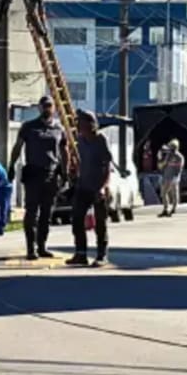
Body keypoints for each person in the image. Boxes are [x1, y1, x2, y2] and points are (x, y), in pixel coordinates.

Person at [8, 95, 69, 260]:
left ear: (53, 108)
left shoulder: (59, 128)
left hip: (51, 174)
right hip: (33, 174)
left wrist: (65, 172)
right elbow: (18, 147)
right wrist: (11, 166)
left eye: (49, 105)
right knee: (31, 212)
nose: (47, 108)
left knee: (47, 213)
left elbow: (64, 151)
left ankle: (42, 246)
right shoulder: (29, 127)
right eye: (44, 106)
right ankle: (31, 248)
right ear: (39, 108)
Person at [68, 110, 111, 267]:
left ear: (90, 124)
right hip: (83, 186)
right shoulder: (80, 140)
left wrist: (103, 187)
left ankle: (101, 255)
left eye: (81, 122)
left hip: (98, 187)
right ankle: (80, 253)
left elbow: (107, 167)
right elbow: (78, 161)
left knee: (100, 223)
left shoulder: (100, 140)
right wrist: (73, 172)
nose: (78, 125)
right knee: (77, 219)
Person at [158, 139, 184, 217]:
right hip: (167, 177)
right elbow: (162, 165)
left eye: (172, 147)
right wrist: (160, 158)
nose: (171, 148)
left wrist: (176, 177)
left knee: (173, 193)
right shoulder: (168, 155)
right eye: (170, 146)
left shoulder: (179, 157)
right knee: (164, 193)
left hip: (173, 177)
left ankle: (172, 209)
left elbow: (180, 168)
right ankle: (166, 209)